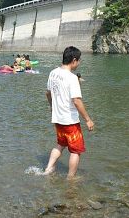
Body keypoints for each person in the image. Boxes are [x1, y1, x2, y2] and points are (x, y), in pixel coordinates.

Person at [43, 46, 94, 179]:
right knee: (76, 150)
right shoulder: (72, 78)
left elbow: (48, 93)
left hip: (57, 118)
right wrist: (88, 119)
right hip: (70, 121)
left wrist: (52, 108)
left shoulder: (53, 73)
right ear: (74, 60)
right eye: (79, 60)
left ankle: (48, 169)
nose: (79, 63)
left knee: (60, 144)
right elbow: (76, 101)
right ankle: (70, 179)